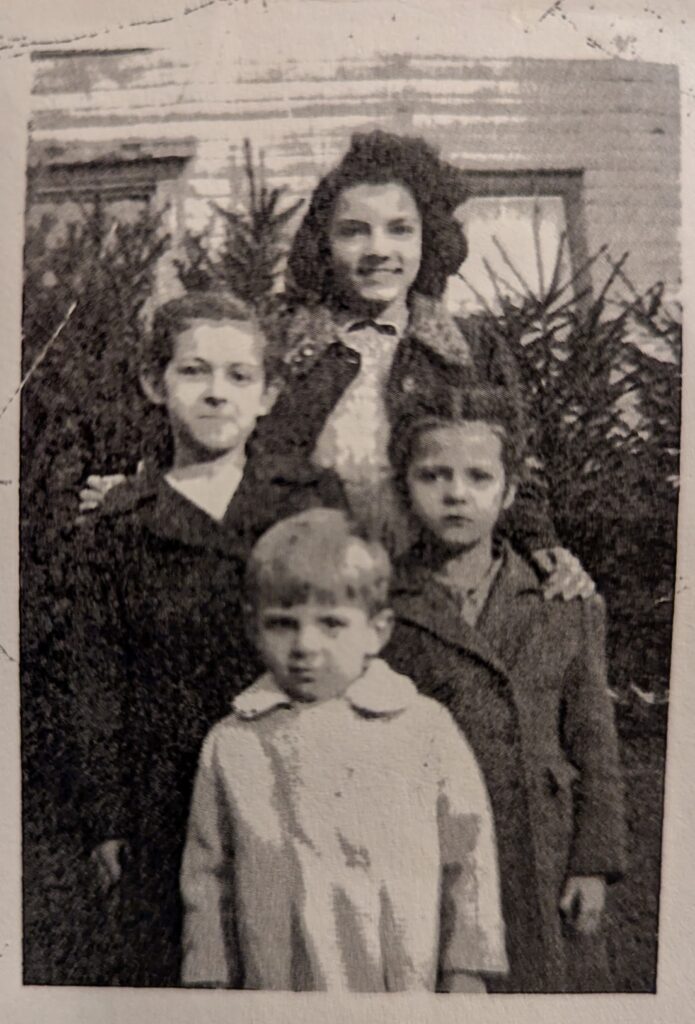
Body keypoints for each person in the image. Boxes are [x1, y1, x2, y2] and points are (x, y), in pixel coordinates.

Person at [80, 129, 592, 601]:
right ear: (325, 244)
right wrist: (139, 491)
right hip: (306, 596)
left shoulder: (471, 348)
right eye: (353, 232)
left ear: (426, 239)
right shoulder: (280, 341)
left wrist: (543, 543)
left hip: (437, 596)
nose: (378, 251)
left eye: (399, 231)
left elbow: (514, 466)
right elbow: (203, 438)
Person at [68, 292, 345, 986]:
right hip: (168, 795)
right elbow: (95, 679)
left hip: (302, 778)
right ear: (153, 384)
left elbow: (352, 637)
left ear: (268, 393)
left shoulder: (309, 500)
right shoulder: (122, 524)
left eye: (238, 376)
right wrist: (106, 817)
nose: (216, 394)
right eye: (194, 372)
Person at [180, 508, 508, 992]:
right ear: (253, 627)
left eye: (331, 624)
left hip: (394, 976)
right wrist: (208, 977)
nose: (305, 645)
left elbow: (469, 856)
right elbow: (208, 877)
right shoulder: (234, 743)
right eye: (282, 624)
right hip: (278, 979)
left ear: (377, 629)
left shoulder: (423, 729)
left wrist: (466, 970)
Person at [383, 384, 627, 993]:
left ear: (510, 491)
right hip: (423, 847)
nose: (457, 493)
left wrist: (593, 862)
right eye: (433, 475)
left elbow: (595, 743)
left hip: (540, 847)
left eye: (479, 477)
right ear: (403, 488)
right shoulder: (381, 606)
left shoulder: (564, 602)